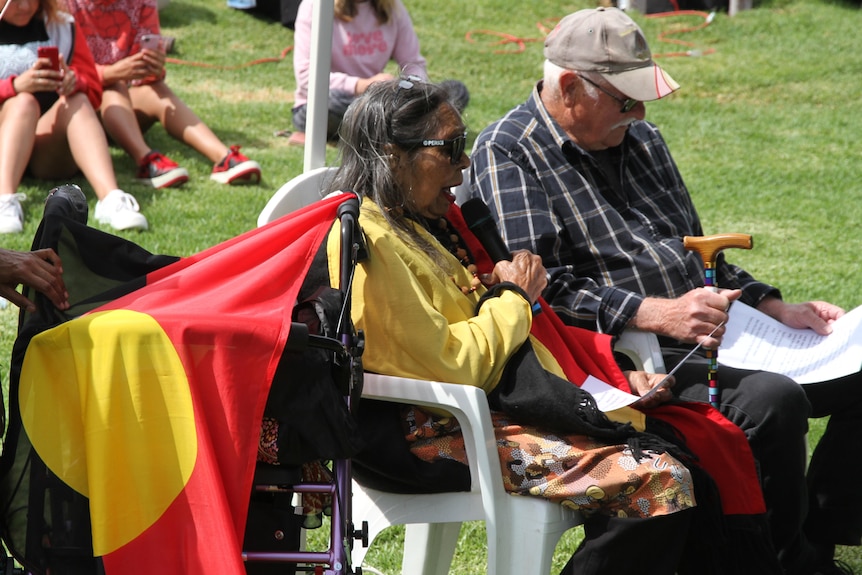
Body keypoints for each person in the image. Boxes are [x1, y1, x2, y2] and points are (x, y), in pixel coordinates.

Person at [325, 77, 784, 575]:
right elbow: (451, 365)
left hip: (479, 411)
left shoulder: (414, 221)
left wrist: (613, 383)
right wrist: (514, 297)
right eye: (451, 148)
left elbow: (491, 342)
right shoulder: (366, 241)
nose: (464, 165)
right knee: (660, 481)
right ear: (393, 154)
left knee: (672, 455)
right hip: (431, 433)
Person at [469, 7, 860, 575]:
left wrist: (775, 307)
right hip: (628, 356)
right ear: (572, 87)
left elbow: (697, 252)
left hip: (712, 331)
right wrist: (659, 313)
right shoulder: (509, 152)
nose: (642, 112)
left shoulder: (639, 136)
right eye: (626, 99)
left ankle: (817, 544)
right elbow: (540, 293)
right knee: (772, 402)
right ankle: (777, 561)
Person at [64, 0, 262, 189]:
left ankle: (224, 158)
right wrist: (109, 74)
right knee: (114, 87)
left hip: (120, 109)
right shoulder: (62, 4)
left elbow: (147, 78)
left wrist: (153, 66)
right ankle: (146, 160)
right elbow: (63, 72)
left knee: (156, 89)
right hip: (76, 108)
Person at [0, 0, 149, 233]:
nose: (25, 6)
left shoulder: (62, 25)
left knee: (78, 99)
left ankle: (110, 198)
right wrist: (15, 86)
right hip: (6, 133)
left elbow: (94, 89)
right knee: (23, 102)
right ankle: (4, 199)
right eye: (16, 0)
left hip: (45, 148)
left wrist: (74, 81)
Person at [286, 0, 469, 146]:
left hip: (377, 101)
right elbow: (306, 77)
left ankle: (395, 122)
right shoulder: (314, 6)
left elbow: (414, 63)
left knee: (454, 91)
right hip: (331, 103)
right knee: (330, 103)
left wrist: (410, 87)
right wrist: (362, 85)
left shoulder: (393, 8)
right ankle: (407, 124)